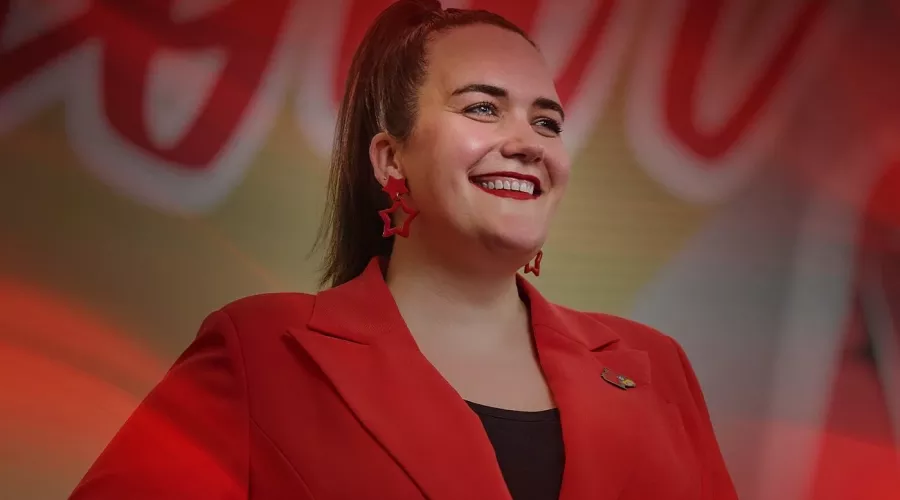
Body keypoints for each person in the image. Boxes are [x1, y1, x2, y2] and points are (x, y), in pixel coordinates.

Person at [70, 1, 738, 499]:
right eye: (482, 108)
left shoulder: (656, 366)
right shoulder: (261, 352)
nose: (527, 143)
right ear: (391, 159)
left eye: (547, 121)